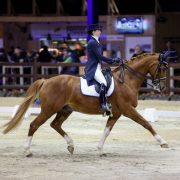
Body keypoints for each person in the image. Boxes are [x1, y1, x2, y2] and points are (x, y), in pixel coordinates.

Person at [84, 23, 120, 113]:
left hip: (98, 67)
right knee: (103, 82)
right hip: (93, 68)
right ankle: (103, 104)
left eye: (100, 30)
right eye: (98, 30)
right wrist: (112, 61)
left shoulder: (97, 42)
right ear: (93, 32)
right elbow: (99, 56)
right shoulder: (92, 42)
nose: (100, 31)